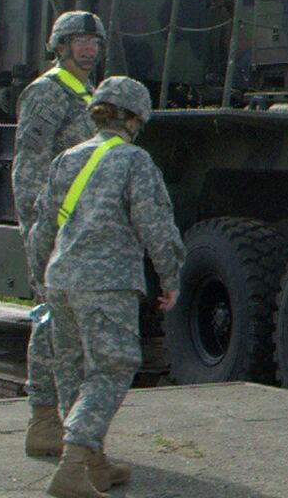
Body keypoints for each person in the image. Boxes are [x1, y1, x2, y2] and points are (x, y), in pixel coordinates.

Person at [29, 76, 184, 498]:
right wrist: (170, 278)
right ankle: (73, 465)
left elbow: (43, 227)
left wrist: (40, 279)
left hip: (61, 279)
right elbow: (156, 227)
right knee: (111, 368)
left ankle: (94, 463)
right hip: (107, 283)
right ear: (134, 119)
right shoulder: (134, 161)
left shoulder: (67, 158)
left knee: (72, 370)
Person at [12, 11, 104, 461]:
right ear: (61, 46)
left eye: (94, 42)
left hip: (84, 229)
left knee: (74, 328)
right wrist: (39, 228)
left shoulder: (90, 95)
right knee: (50, 323)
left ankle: (68, 426)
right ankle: (43, 422)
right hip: (55, 229)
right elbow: (28, 165)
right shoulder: (47, 93)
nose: (89, 49)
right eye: (80, 40)